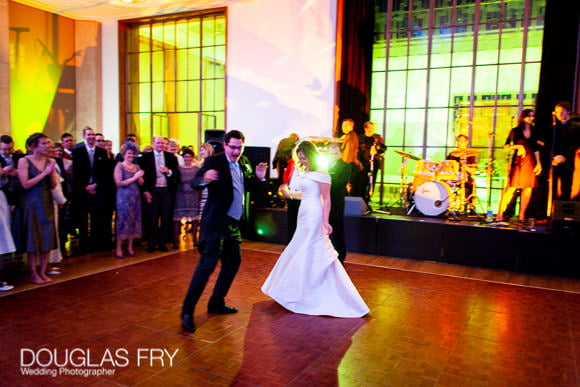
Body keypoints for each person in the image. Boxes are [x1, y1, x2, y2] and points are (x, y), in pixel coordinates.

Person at [262, 141, 369, 317]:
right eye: (300, 158)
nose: (302, 161)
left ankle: (312, 290)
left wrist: (326, 221)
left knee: (311, 247)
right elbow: (305, 194)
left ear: (311, 156)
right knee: (301, 246)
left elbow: (326, 199)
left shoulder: (322, 172)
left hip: (315, 213)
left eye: (304, 158)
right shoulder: (307, 171)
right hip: (304, 212)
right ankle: (300, 289)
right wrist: (289, 194)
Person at [181, 130, 267, 333]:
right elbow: (195, 182)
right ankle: (187, 312)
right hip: (215, 224)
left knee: (233, 263)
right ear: (226, 145)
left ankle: (216, 302)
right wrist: (206, 179)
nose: (237, 151)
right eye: (233, 147)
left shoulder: (244, 161)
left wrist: (259, 178)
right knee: (206, 268)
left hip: (233, 225)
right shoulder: (215, 161)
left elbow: (246, 187)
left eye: (240, 147)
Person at [17, 133, 58, 284]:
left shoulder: (50, 161)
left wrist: (52, 173)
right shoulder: (24, 161)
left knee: (47, 237)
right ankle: (33, 273)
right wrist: (44, 174)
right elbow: (25, 184)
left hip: (46, 201)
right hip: (31, 203)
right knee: (33, 239)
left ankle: (43, 271)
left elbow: (53, 185)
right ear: (34, 146)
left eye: (48, 143)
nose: (47, 146)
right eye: (43, 143)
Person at [72, 127, 114, 252]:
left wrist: (96, 185)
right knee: (83, 218)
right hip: (83, 189)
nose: (91, 137)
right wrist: (85, 186)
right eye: (89, 135)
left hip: (98, 189)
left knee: (97, 216)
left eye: (93, 135)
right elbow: (76, 172)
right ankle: (84, 244)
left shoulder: (101, 152)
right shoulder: (78, 152)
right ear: (84, 136)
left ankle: (96, 242)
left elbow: (105, 173)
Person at [496, 109, 542, 223]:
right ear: (523, 117)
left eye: (532, 116)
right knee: (511, 188)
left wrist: (539, 163)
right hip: (518, 162)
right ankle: (499, 214)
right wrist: (518, 147)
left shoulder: (534, 130)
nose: (531, 118)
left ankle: (522, 215)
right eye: (529, 116)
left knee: (528, 188)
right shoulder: (515, 131)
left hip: (530, 161)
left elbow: (536, 148)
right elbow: (506, 146)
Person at [138, 136, 180, 253]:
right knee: (152, 218)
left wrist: (169, 171)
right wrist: (145, 191)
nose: (160, 145)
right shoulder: (145, 157)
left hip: (166, 191)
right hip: (153, 191)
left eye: (162, 143)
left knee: (166, 218)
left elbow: (176, 174)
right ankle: (152, 243)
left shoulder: (170, 157)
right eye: (158, 143)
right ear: (153, 143)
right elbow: (142, 176)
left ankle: (162, 243)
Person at [114, 142, 144, 258]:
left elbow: (141, 183)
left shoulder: (136, 167)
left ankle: (130, 247)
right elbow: (119, 182)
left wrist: (140, 176)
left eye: (132, 153)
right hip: (123, 197)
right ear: (123, 154)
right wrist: (135, 177)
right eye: (128, 153)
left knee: (133, 221)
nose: (130, 155)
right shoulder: (119, 166)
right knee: (122, 221)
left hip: (135, 197)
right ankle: (118, 248)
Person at [550, 101, 580, 201]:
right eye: (557, 112)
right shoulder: (554, 127)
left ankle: (563, 213)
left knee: (566, 186)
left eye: (562, 112)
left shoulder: (576, 127)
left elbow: (576, 144)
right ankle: (552, 211)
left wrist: (564, 156)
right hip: (554, 161)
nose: (560, 114)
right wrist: (553, 157)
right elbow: (549, 144)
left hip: (568, 160)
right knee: (552, 187)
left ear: (568, 112)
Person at [173, 148, 201, 248]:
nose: (187, 158)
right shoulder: (178, 169)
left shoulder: (197, 169)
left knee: (194, 219)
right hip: (180, 196)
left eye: (189, 156)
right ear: (183, 157)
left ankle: (195, 240)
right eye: (185, 156)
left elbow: (199, 182)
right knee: (177, 219)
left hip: (193, 196)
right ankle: (176, 241)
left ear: (192, 158)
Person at [327, 142, 350, 264]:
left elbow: (341, 182)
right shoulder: (325, 166)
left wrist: (328, 178)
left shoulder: (345, 166)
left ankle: (340, 255)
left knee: (337, 228)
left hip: (336, 201)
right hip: (325, 201)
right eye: (331, 153)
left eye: (335, 153)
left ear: (340, 153)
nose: (333, 155)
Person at [447, 134, 478, 213]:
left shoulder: (471, 155)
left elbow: (473, 170)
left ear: (466, 142)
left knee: (471, 185)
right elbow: (447, 166)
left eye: (462, 141)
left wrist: (464, 166)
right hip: (453, 178)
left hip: (466, 179)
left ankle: (471, 207)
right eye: (458, 141)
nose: (459, 143)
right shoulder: (452, 154)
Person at [358, 121, 386, 206]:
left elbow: (383, 149)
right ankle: (361, 202)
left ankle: (368, 202)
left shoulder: (377, 138)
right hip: (362, 164)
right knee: (361, 184)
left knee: (371, 183)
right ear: (365, 128)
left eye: (373, 128)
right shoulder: (360, 138)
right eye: (370, 128)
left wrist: (377, 148)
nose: (372, 130)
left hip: (373, 164)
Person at [339, 118, 363, 196]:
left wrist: (342, 165)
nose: (344, 127)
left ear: (352, 127)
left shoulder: (351, 136)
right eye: (343, 125)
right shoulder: (345, 136)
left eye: (347, 125)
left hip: (346, 164)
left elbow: (348, 153)